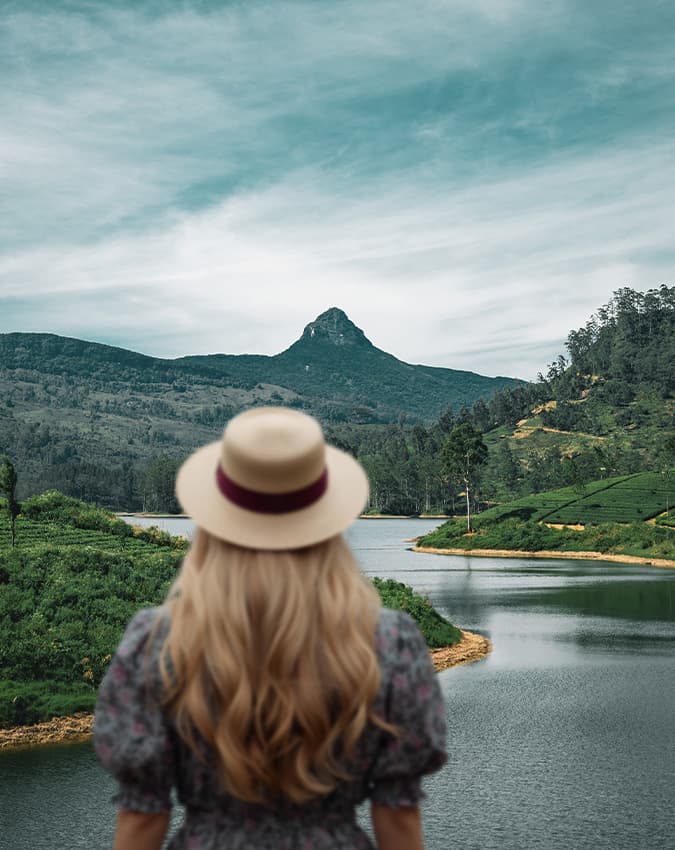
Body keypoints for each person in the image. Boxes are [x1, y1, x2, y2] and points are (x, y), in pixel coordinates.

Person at [94, 407, 447, 849]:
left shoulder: (158, 641)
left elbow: (144, 817)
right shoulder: (388, 640)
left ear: (215, 520)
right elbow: (396, 814)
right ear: (328, 520)